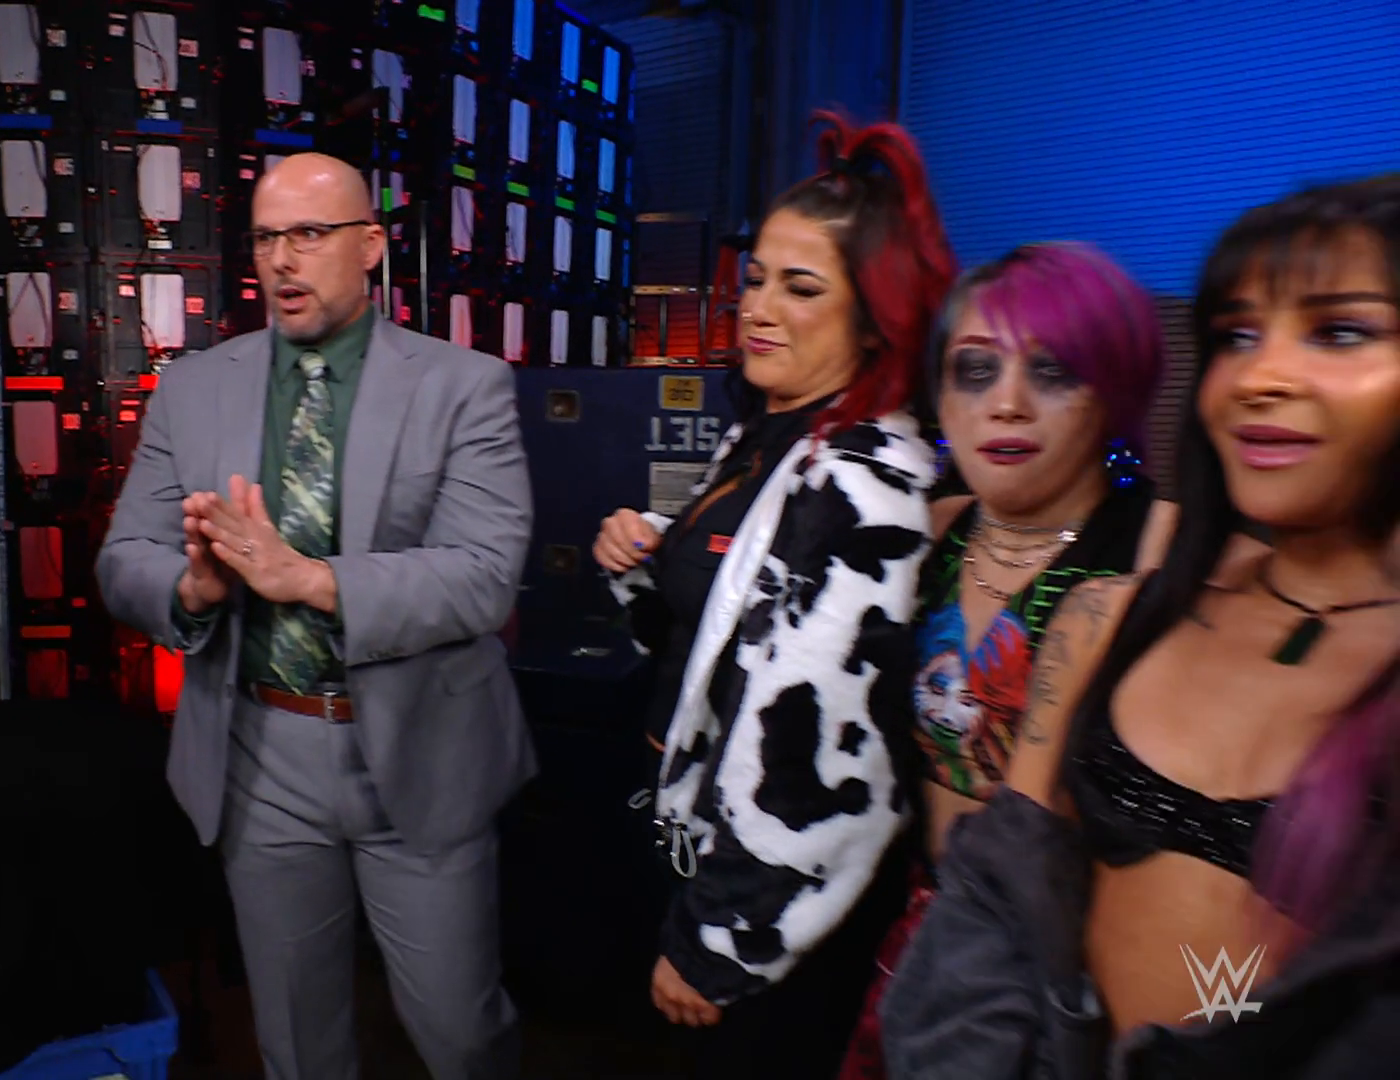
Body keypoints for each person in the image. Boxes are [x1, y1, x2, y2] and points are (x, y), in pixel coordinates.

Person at [880, 174, 1400, 1077]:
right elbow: (1006, 880)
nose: (1262, 377)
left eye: (1340, 331)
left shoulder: (1145, 552)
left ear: (1116, 386)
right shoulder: (953, 547)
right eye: (1238, 337)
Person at [97, 152, 534, 1080]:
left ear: (370, 246)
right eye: (265, 238)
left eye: (308, 234)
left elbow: (484, 576)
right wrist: (193, 590)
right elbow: (122, 559)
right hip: (263, 754)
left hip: (421, 749)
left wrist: (311, 580)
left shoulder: (465, 385)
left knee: (459, 1032)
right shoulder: (194, 388)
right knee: (297, 1041)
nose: (282, 260)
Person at [591, 110, 956, 1078]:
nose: (758, 307)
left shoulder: (863, 481)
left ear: (874, 318)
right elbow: (715, 641)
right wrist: (642, 564)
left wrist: (722, 938)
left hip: (758, 906)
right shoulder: (769, 435)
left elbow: (822, 757)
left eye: (801, 288)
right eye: (756, 279)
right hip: (689, 837)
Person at [836, 242, 1175, 1078]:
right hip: (910, 931)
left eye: (1052, 372)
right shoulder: (924, 531)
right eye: (976, 370)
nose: (1007, 404)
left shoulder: (1162, 550)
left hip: (1069, 957)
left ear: (1115, 389)